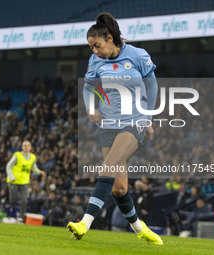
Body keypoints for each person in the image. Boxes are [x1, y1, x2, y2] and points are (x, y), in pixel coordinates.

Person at [67, 13, 163, 245]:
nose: (94, 51)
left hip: (133, 121)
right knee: (119, 188)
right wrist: (90, 107)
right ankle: (140, 229)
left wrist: (147, 119)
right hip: (108, 124)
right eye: (91, 47)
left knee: (107, 167)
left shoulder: (137, 55)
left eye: (97, 45)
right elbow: (89, 87)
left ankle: (84, 223)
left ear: (110, 38)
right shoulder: (95, 62)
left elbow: (152, 86)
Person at [6, 140, 45, 223]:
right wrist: (12, 177)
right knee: (13, 200)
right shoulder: (17, 155)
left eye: (28, 145)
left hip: (24, 181)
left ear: (30, 147)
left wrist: (39, 172)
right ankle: (11, 216)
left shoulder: (33, 157)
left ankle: (20, 218)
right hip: (14, 181)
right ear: (22, 147)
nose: (26, 147)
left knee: (24, 200)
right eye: (24, 145)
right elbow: (9, 166)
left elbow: (33, 167)